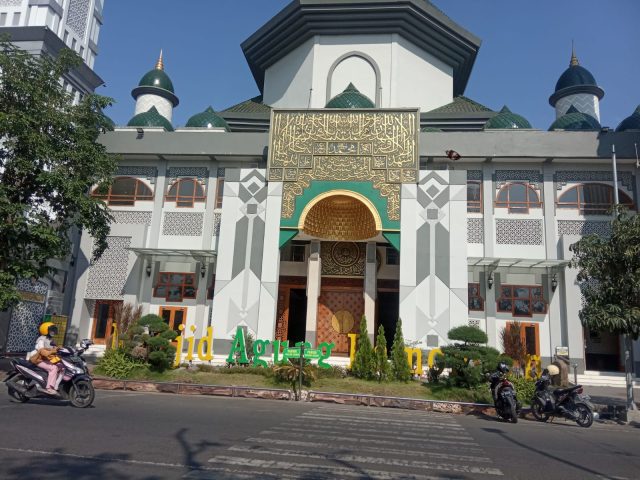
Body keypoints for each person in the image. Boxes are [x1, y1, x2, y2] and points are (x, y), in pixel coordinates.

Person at [27, 321, 63, 395]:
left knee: (60, 367)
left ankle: (54, 385)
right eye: (51, 330)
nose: (53, 332)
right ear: (45, 330)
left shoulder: (50, 339)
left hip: (44, 359)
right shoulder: (41, 339)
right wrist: (52, 350)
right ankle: (49, 388)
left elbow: (54, 347)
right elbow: (42, 351)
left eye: (53, 330)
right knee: (53, 368)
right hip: (38, 359)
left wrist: (59, 349)